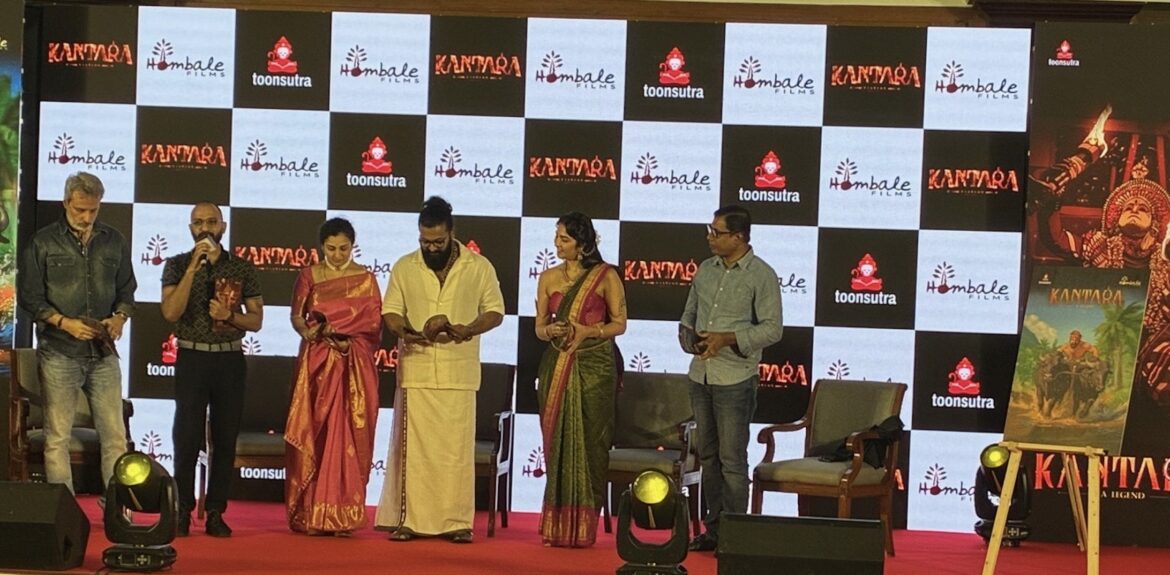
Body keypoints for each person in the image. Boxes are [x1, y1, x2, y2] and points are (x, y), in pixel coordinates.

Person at [374, 196, 505, 544]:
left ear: (452, 232)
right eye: (425, 241)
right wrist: (405, 332)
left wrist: (469, 329)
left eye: (438, 241)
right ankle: (410, 521)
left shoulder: (479, 266)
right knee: (414, 454)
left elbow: (495, 311)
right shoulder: (405, 266)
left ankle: (457, 523)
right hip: (416, 369)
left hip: (459, 371)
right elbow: (391, 311)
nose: (431, 248)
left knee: (455, 453)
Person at [18, 172, 136, 495]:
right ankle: (63, 511)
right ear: (66, 202)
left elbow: (127, 289)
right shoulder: (43, 242)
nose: (86, 217)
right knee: (57, 437)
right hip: (59, 352)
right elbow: (29, 298)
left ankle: (116, 507)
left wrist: (120, 318)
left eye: (93, 210)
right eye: (79, 209)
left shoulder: (114, 240)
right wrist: (63, 322)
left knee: (115, 435)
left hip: (103, 352)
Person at [680, 205, 783, 552]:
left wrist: (727, 339)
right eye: (709, 231)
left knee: (732, 461)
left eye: (717, 232)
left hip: (735, 379)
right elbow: (688, 316)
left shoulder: (761, 274)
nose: (710, 238)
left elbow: (773, 329)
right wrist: (690, 339)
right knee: (708, 458)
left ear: (738, 237)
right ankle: (713, 531)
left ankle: (736, 537)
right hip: (701, 376)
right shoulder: (705, 269)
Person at [160, 201, 263, 538]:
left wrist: (229, 316)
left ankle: (216, 510)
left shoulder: (242, 268)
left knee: (225, 437)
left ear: (223, 226)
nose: (205, 228)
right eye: (198, 222)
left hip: (229, 360)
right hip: (192, 358)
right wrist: (193, 268)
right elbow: (170, 313)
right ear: (190, 228)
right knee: (186, 436)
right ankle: (183, 509)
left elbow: (257, 321)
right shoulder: (177, 265)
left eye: (211, 222)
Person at [285, 218, 382, 536]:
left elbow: (373, 327)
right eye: (331, 249)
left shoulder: (366, 279)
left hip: (353, 366)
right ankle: (312, 515)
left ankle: (344, 515)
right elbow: (297, 317)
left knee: (348, 437)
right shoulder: (309, 276)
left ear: (353, 246)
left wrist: (347, 341)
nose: (338, 255)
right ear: (321, 247)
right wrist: (310, 332)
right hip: (317, 365)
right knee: (318, 433)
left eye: (344, 248)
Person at [535, 212, 627, 548]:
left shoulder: (606, 276)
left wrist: (588, 331)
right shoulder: (548, 277)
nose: (557, 244)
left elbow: (620, 324)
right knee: (557, 444)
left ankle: (584, 528)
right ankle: (556, 526)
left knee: (591, 444)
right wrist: (551, 330)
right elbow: (539, 328)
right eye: (557, 237)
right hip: (557, 366)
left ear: (583, 244)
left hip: (595, 369)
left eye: (565, 239)